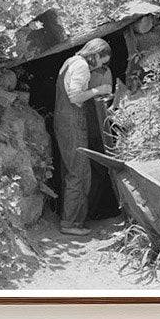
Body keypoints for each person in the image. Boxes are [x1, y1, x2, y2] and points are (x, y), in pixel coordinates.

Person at [53, 37, 112, 235]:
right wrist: (99, 89)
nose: (99, 67)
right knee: (79, 173)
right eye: (101, 61)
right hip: (72, 123)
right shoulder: (82, 66)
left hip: (64, 120)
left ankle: (71, 220)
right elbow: (75, 96)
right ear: (95, 54)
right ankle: (70, 224)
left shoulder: (70, 61)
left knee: (73, 170)